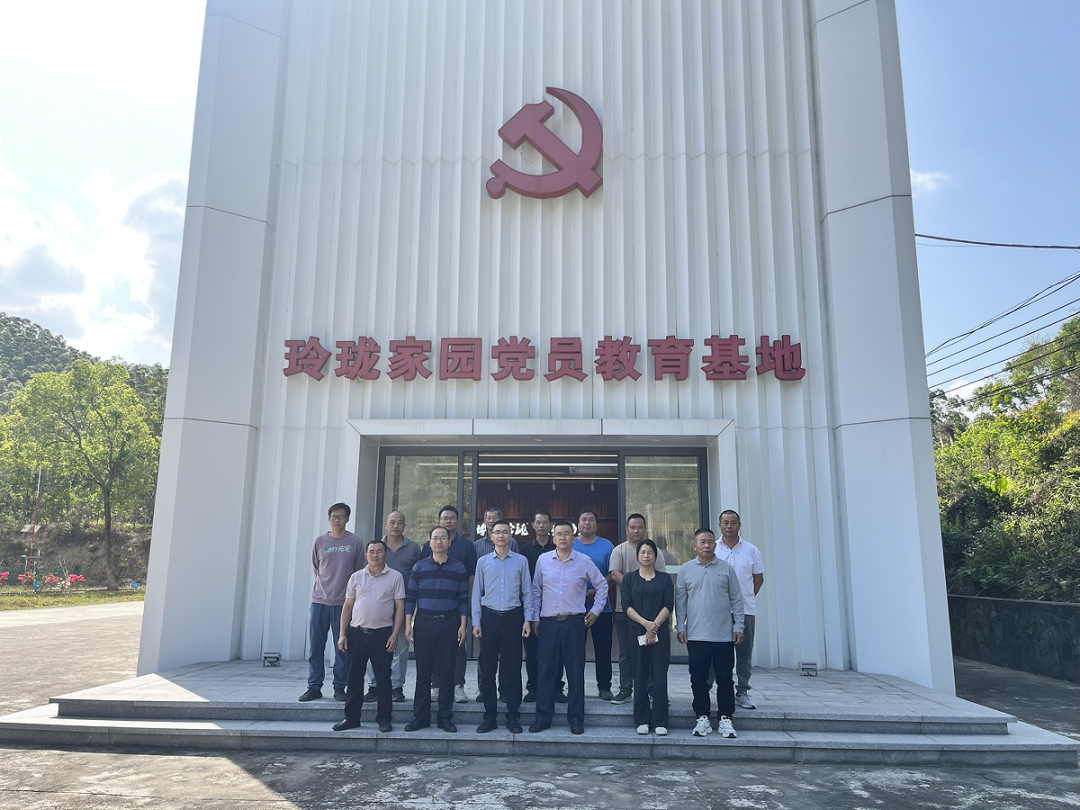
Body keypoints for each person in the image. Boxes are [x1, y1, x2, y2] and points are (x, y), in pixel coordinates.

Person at [529, 519, 609, 735]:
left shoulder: (584, 561)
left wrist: (596, 611)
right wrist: (535, 618)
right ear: (553, 538)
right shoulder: (543, 560)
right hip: (548, 623)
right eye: (559, 534)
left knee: (575, 672)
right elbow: (536, 590)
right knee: (546, 672)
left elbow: (602, 585)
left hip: (574, 623)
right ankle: (543, 718)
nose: (562, 537)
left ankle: (576, 718)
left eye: (566, 533)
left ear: (573, 538)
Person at [676, 528, 744, 739]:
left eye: (710, 542)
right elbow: (680, 601)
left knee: (725, 678)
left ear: (715, 545)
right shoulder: (686, 570)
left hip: (723, 635)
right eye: (702, 542)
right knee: (698, 678)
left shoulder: (727, 569)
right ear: (694, 546)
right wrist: (680, 627)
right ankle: (702, 716)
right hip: (696, 634)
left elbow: (736, 598)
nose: (706, 545)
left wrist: (739, 626)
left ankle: (725, 717)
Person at [333, 538, 405, 733]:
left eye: (379, 551)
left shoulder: (395, 577)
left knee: (383, 678)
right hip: (356, 633)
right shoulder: (356, 577)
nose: (375, 555)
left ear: (386, 554)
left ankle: (384, 719)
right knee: (354, 677)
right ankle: (351, 718)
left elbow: (400, 607)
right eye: (371, 551)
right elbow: (348, 606)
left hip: (382, 634)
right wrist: (342, 634)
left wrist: (395, 634)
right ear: (366, 555)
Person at [471, 519, 534, 733]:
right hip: (489, 618)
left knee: (513, 668)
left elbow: (527, 592)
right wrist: (476, 621)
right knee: (487, 668)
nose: (501, 535)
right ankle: (490, 716)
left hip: (513, 618)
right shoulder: (483, 562)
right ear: (491, 536)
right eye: (497, 532)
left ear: (510, 536)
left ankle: (513, 715)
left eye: (505, 532)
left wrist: (527, 619)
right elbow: (476, 594)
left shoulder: (521, 561)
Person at [405, 526, 469, 733]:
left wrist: (463, 625)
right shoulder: (419, 567)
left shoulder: (458, 568)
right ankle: (420, 716)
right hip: (424, 623)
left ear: (449, 542)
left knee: (448, 671)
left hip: (449, 623)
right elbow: (411, 598)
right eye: (435, 538)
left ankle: (445, 717)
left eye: (443, 538)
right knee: (423, 672)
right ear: (429, 543)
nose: (439, 541)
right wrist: (408, 624)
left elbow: (463, 599)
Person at [299, 503, 365, 702]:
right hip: (319, 601)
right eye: (334, 517)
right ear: (329, 519)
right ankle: (314, 686)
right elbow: (316, 568)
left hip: (344, 604)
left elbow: (359, 572)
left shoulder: (356, 542)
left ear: (347, 519)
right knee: (316, 647)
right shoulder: (320, 541)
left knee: (343, 647)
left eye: (341, 517)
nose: (337, 520)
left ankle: (339, 687)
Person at [608, 513, 667, 704]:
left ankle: (652, 690)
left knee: (651, 652)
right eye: (632, 527)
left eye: (639, 527)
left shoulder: (655, 551)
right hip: (625, 609)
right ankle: (625, 689)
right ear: (627, 529)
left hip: (652, 613)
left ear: (645, 529)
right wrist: (636, 590)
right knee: (626, 652)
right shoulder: (619, 550)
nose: (636, 531)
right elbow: (615, 574)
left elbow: (662, 578)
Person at [364, 510, 422, 704]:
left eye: (400, 522)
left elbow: (419, 575)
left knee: (401, 648)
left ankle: (396, 687)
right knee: (374, 647)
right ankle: (374, 686)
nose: (396, 526)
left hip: (403, 605)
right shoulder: (376, 547)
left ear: (404, 525)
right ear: (386, 525)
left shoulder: (413, 548)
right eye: (392, 522)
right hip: (379, 605)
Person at [420, 505, 477, 704]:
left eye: (452, 518)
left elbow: (471, 575)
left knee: (459, 646)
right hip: (433, 606)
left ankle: (457, 684)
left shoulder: (467, 545)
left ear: (458, 522)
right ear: (439, 521)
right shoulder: (429, 545)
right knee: (435, 648)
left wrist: (469, 601)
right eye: (444, 518)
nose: (448, 521)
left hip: (456, 605)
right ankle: (436, 685)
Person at [622, 539, 674, 736]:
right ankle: (642, 719)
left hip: (660, 632)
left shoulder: (664, 579)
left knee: (659, 675)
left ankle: (660, 720)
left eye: (650, 552)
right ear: (638, 556)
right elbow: (626, 605)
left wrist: (654, 627)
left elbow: (668, 605)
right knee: (640, 675)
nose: (646, 556)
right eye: (643, 552)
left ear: (655, 555)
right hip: (636, 631)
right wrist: (646, 625)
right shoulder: (629, 579)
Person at [715, 509, 765, 709]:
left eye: (733, 522)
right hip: (718, 611)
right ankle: (717, 690)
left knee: (744, 654)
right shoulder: (713, 549)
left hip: (745, 610)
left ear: (739, 525)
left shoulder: (751, 550)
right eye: (725, 523)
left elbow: (758, 579)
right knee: (718, 652)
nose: (729, 526)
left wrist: (746, 598)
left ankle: (742, 691)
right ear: (720, 525)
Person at [471, 506, 519, 700]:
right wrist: (476, 617)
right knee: (486, 657)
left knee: (509, 657)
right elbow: (477, 584)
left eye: (494, 518)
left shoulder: (514, 547)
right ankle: (484, 690)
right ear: (485, 524)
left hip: (510, 610)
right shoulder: (477, 547)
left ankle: (505, 691)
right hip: (488, 609)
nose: (491, 521)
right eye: (488, 518)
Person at [520, 508, 564, 703]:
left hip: (555, 605)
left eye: (545, 522)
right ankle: (533, 687)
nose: (541, 525)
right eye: (538, 522)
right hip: (532, 605)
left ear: (550, 525)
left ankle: (557, 688)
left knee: (557, 650)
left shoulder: (558, 548)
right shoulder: (525, 550)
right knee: (532, 650)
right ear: (532, 525)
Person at [572, 508, 616, 700]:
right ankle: (575, 687)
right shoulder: (571, 544)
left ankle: (604, 686)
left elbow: (612, 573)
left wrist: (595, 592)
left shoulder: (607, 546)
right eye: (583, 519)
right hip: (575, 607)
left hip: (602, 607)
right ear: (578, 524)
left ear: (596, 524)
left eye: (591, 520)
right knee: (575, 651)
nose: (587, 523)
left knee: (603, 649)